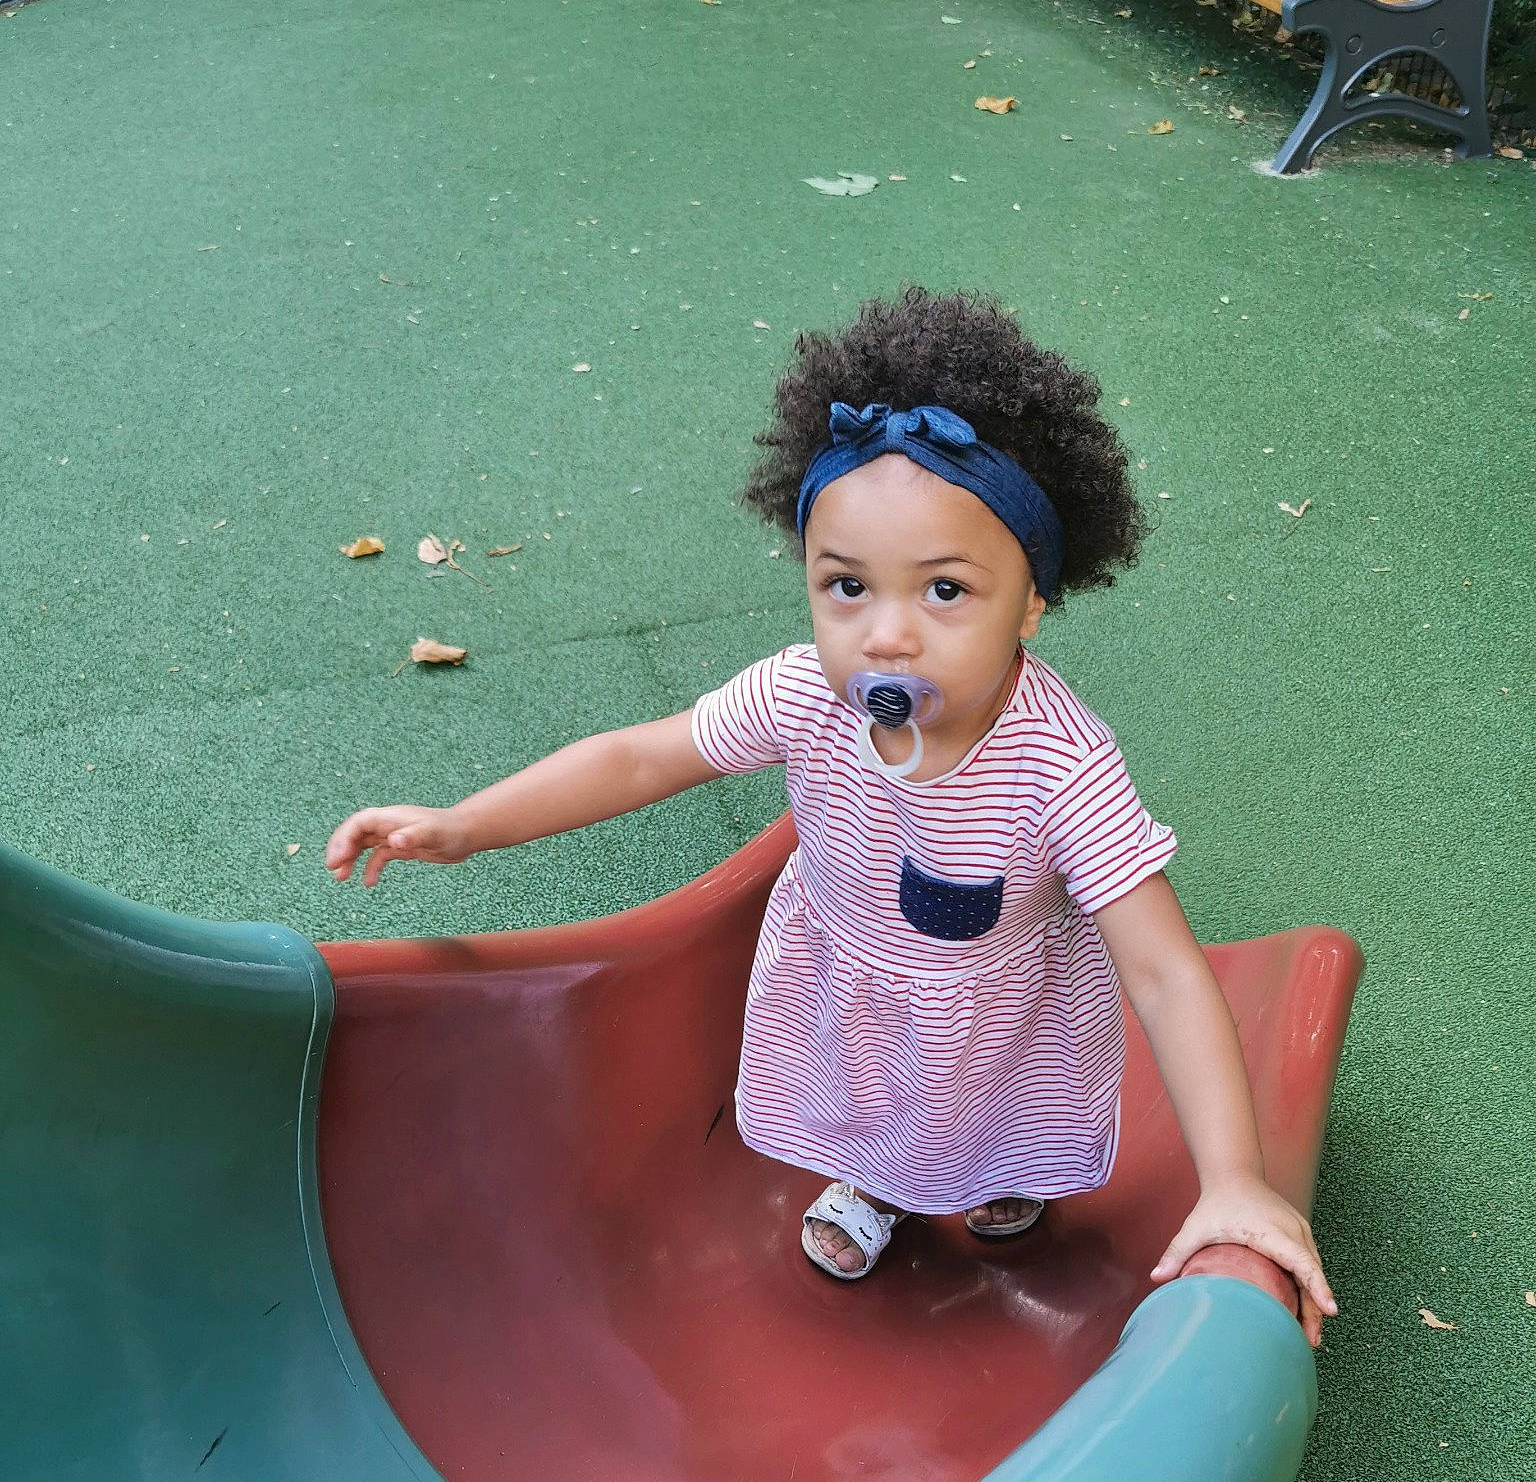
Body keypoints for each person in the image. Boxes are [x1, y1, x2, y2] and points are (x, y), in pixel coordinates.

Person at [327, 286, 1336, 1343]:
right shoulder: (804, 692)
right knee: (869, 1095)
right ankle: (876, 1182)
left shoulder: (1061, 762)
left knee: (996, 1109)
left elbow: (1167, 969)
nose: (886, 635)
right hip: (851, 981)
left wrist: (1234, 1178)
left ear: (1032, 600)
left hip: (1000, 1011)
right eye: (847, 585)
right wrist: (463, 823)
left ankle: (998, 1172)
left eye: (945, 591)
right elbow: (640, 756)